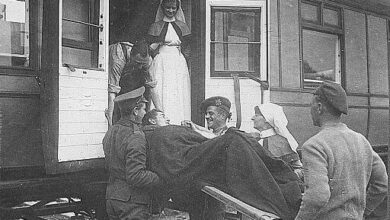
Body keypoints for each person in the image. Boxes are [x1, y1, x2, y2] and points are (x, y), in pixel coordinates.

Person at [295, 81, 388, 219]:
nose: (311, 110)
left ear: (319, 107)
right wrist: (363, 211)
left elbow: (317, 196)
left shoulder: (314, 146)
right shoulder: (361, 141)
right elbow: (381, 183)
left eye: (312, 105)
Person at [103, 86, 162, 220]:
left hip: (113, 197)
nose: (145, 113)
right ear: (135, 111)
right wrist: (160, 178)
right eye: (143, 109)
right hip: (132, 203)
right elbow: (135, 175)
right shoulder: (135, 136)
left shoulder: (111, 131)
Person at [147, 0, 191, 125]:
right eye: (168, 8)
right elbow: (149, 49)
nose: (171, 11)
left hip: (178, 62)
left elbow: (187, 47)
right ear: (162, 8)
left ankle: (179, 123)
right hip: (161, 61)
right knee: (161, 90)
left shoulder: (182, 26)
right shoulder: (156, 26)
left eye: (173, 8)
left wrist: (184, 59)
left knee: (178, 92)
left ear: (177, 8)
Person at [111, 39, 163, 125]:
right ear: (131, 54)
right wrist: (110, 123)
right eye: (137, 63)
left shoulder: (148, 61)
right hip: (115, 82)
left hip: (130, 83)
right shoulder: (118, 56)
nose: (140, 67)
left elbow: (152, 88)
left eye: (143, 64)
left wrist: (160, 115)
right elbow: (112, 92)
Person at [251, 103, 303, 178]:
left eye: (256, 115)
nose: (252, 118)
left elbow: (298, 170)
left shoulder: (282, 142)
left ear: (267, 119)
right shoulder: (256, 140)